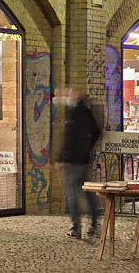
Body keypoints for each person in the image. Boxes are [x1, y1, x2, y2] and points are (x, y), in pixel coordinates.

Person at [55, 88, 101, 239]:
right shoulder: (86, 112)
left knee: (71, 195)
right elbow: (96, 132)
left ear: (75, 96)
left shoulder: (73, 114)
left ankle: (76, 227)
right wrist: (87, 149)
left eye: (67, 95)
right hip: (83, 160)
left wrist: (62, 159)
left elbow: (67, 139)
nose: (64, 98)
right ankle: (94, 223)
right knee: (86, 193)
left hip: (72, 162)